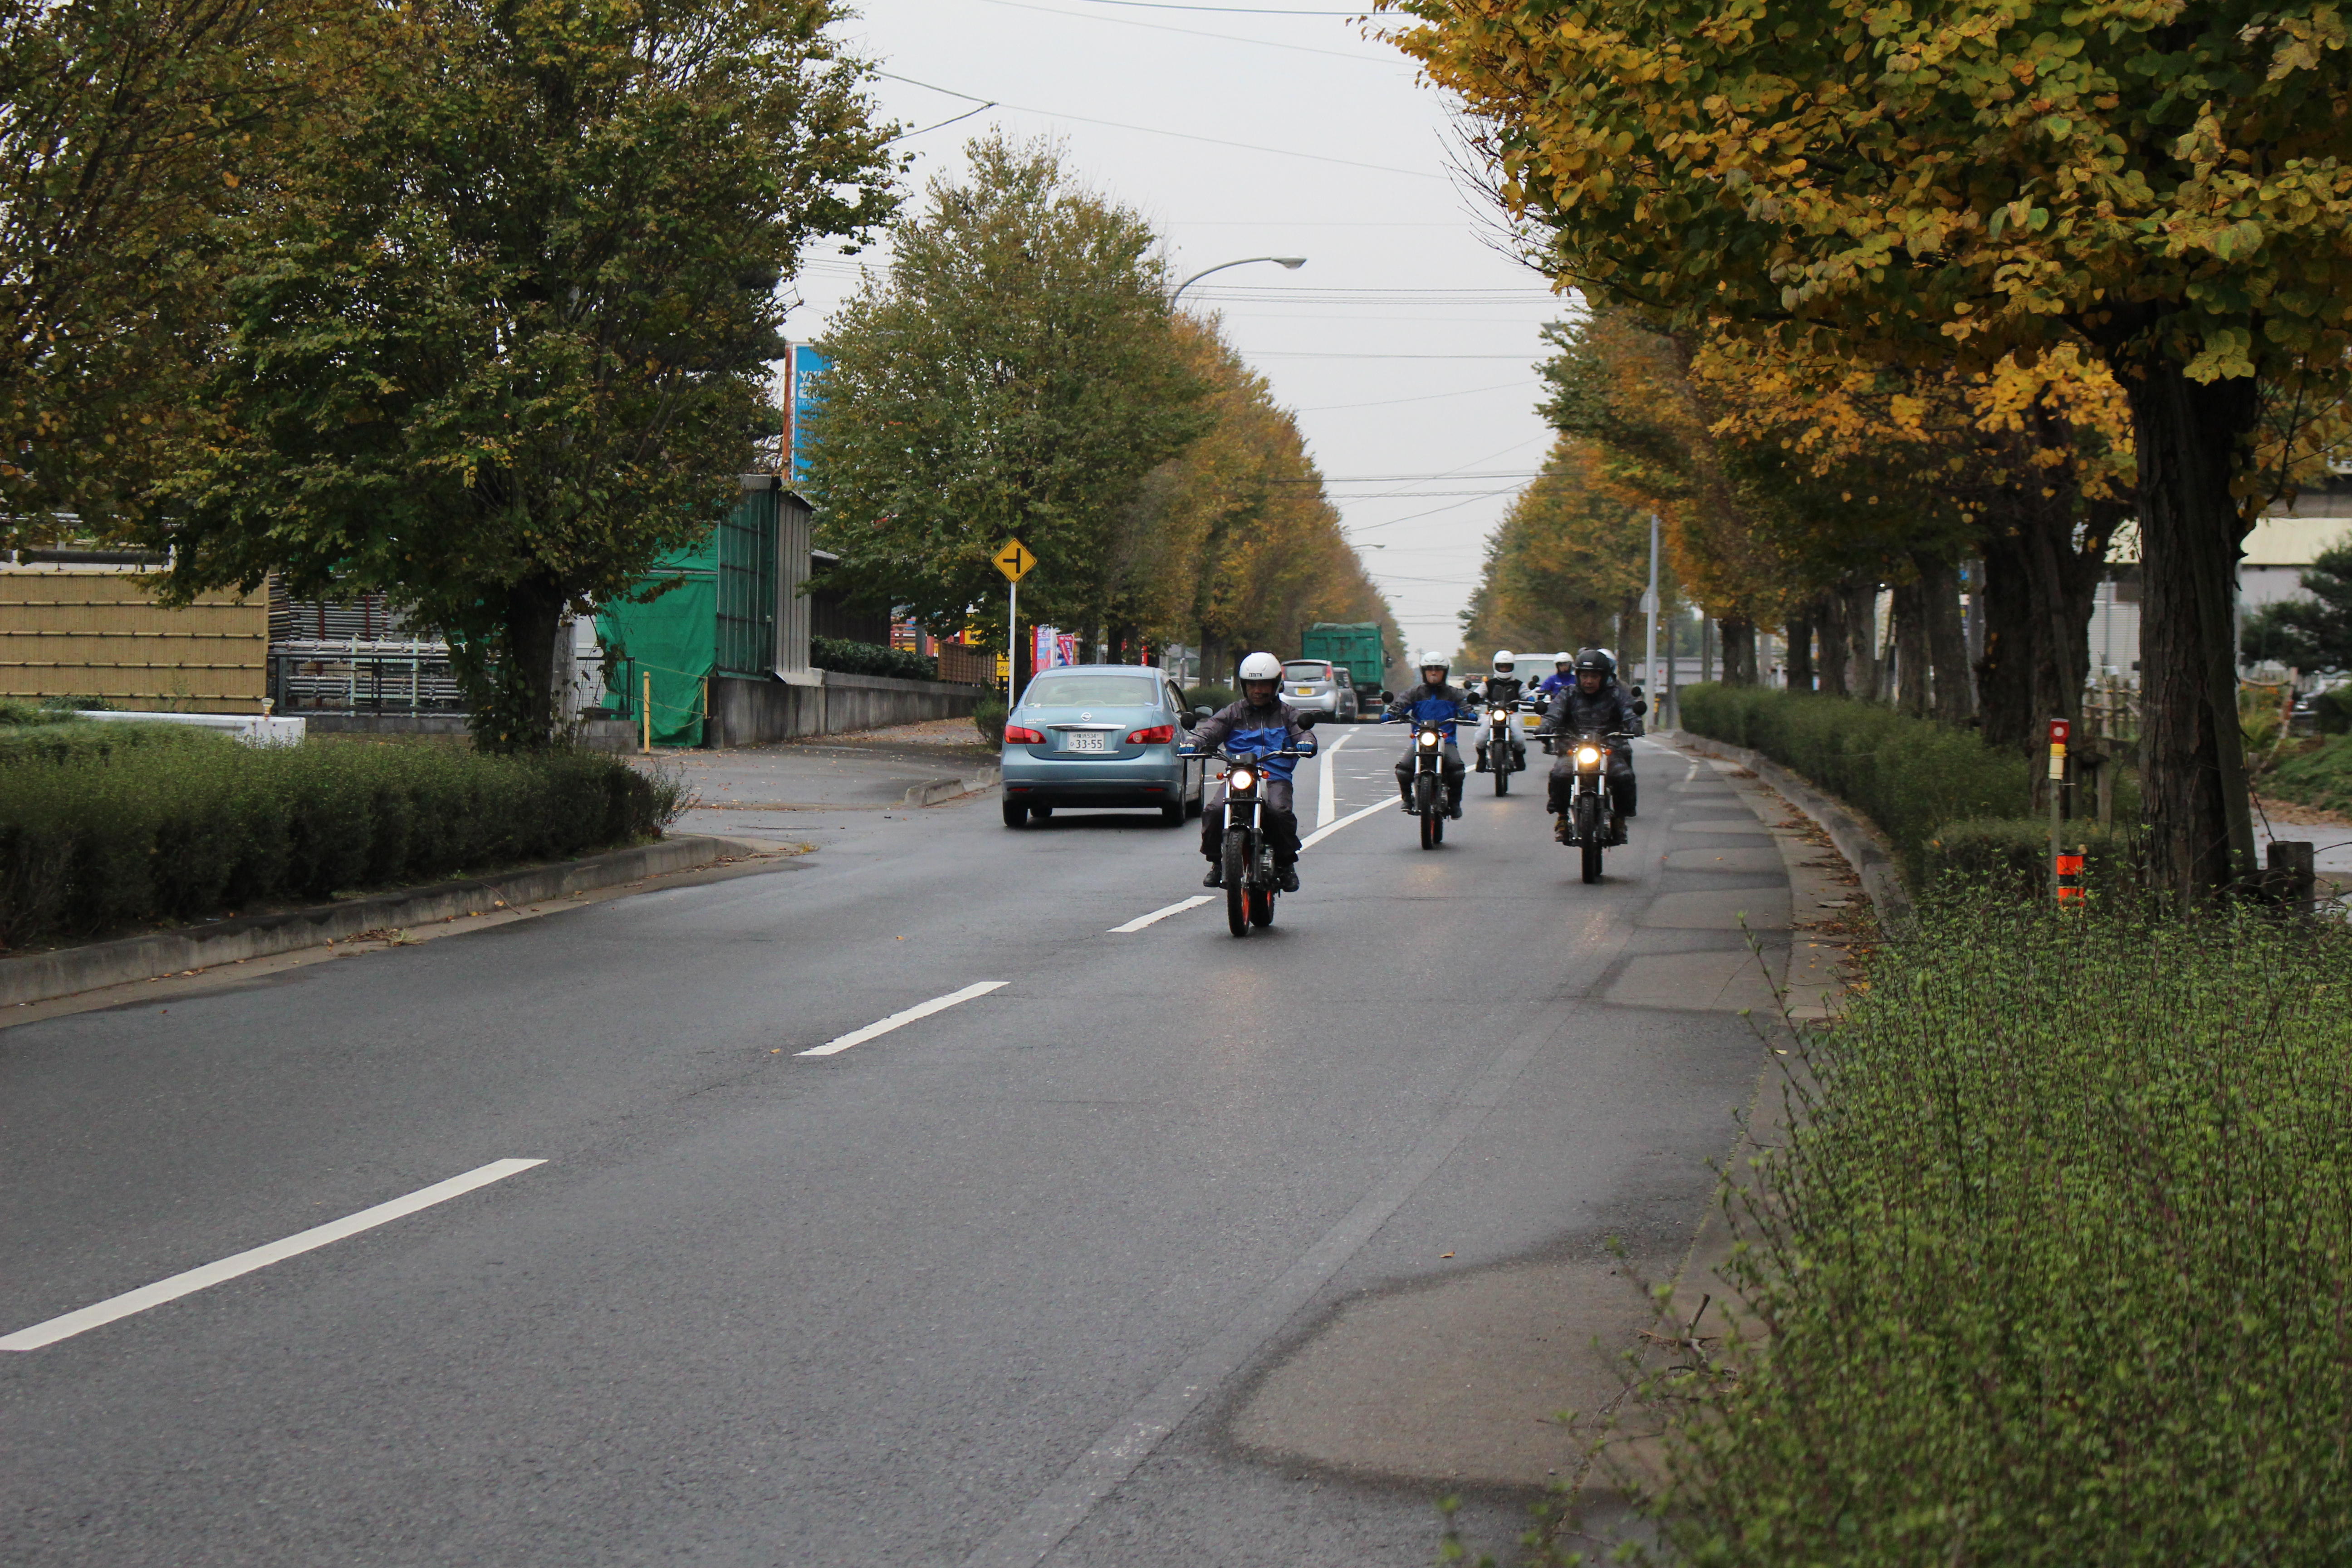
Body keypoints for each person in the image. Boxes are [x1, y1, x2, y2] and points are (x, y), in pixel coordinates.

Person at [1190, 651, 1316, 892]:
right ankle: (1217, 862)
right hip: (1238, 774)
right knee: (1215, 810)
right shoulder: (1233, 712)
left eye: (1264, 684)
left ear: (1276, 684)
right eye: (1252, 685)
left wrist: (1306, 742)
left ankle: (1287, 863)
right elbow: (1211, 729)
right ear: (1244, 686)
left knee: (1279, 811)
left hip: (1275, 777)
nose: (1258, 690)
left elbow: (1303, 731)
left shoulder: (1288, 714)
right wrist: (1194, 742)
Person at [1543, 647, 1643, 843]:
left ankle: (1620, 819)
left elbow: (1629, 711)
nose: (1589, 681)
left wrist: (1635, 725)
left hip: (1609, 747)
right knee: (1560, 774)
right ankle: (1562, 818)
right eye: (1585, 676)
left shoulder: (1616, 694)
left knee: (1624, 776)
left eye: (1594, 677)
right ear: (1578, 676)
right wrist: (1545, 726)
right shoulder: (1568, 693)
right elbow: (1553, 713)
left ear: (1604, 677)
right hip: (1574, 747)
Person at [1386, 650, 1477, 818]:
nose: (1434, 673)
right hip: (1420, 740)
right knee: (1403, 770)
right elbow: (1401, 704)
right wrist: (1392, 713)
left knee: (1457, 771)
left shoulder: (1454, 693)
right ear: (1424, 672)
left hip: (1446, 740)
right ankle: (1407, 799)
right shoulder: (1415, 693)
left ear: (1445, 672)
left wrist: (1469, 714)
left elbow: (1465, 707)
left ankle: (1455, 804)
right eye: (1430, 670)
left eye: (1438, 670)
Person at [1474, 651, 1527, 774]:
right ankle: (1481, 758)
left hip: (1512, 714)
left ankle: (1519, 757)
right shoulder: (1489, 684)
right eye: (1502, 666)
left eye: (1507, 666)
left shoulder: (1518, 684)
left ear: (1512, 667)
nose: (1504, 669)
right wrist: (1474, 696)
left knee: (1519, 737)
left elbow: (1527, 694)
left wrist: (1531, 698)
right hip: (1492, 714)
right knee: (1480, 736)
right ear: (1496, 666)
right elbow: (1478, 693)